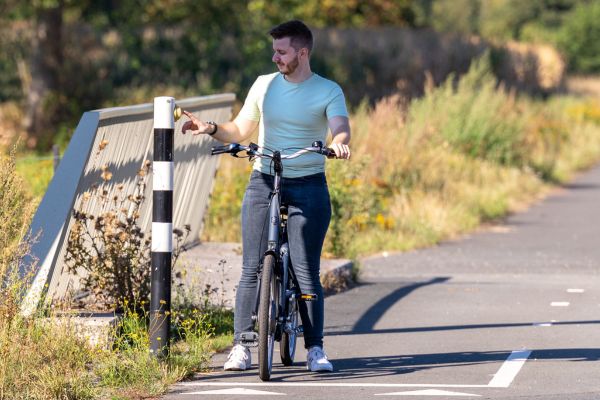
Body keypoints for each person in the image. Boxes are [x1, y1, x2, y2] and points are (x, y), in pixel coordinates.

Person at [181, 19, 351, 373]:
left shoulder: (328, 90)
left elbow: (340, 127)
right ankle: (242, 346)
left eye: (281, 51)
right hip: (264, 179)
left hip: (308, 184)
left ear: (302, 53)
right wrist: (210, 128)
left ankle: (315, 348)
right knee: (252, 269)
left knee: (306, 271)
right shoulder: (264, 85)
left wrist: (338, 145)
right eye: (273, 50)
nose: (275, 57)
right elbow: (240, 128)